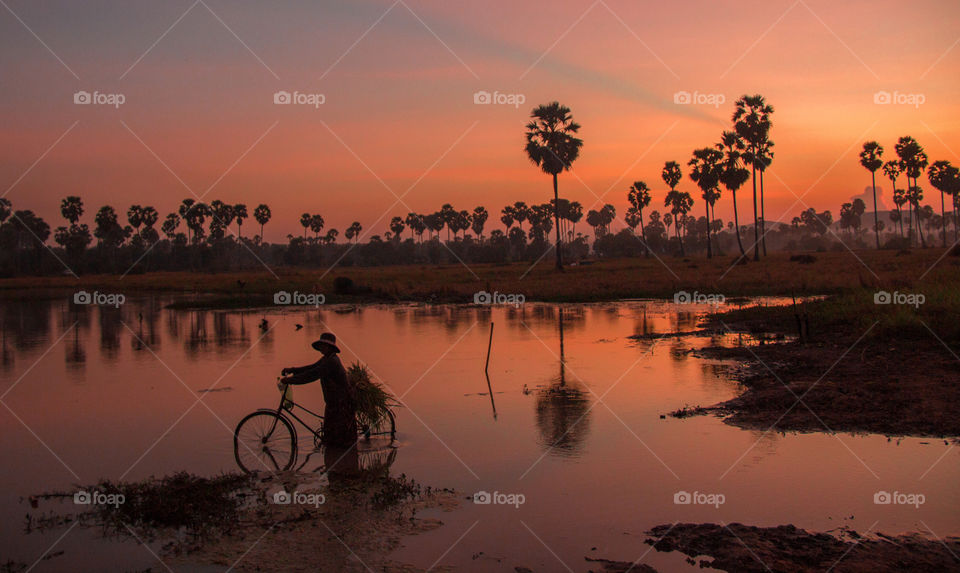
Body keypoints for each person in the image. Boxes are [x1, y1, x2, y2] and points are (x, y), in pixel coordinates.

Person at [281, 333, 358, 449]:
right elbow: (311, 368)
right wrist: (292, 370)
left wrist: (291, 380)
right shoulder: (327, 359)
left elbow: (312, 375)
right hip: (333, 401)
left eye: (324, 345)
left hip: (341, 402)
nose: (322, 348)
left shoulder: (332, 362)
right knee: (330, 439)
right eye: (321, 345)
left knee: (340, 442)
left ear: (330, 347)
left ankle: (342, 464)